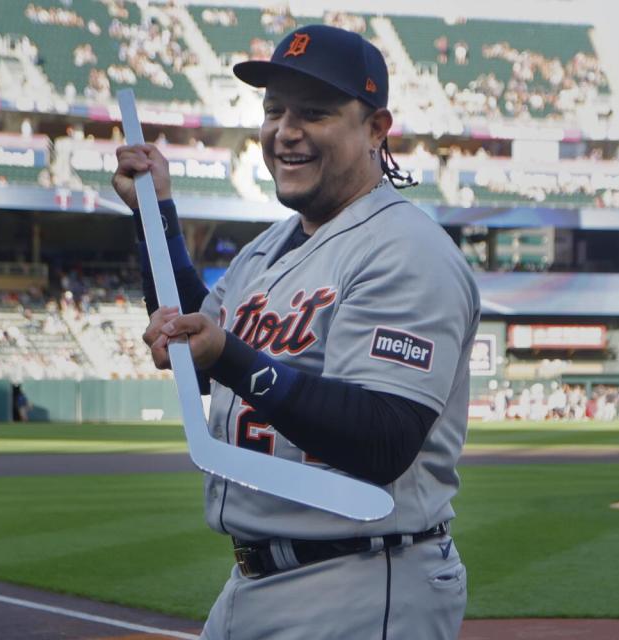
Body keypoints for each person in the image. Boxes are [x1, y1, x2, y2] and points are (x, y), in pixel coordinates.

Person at [114, 24, 480, 640]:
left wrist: (228, 354)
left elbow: (383, 439)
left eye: (314, 112)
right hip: (256, 582)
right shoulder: (268, 250)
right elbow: (201, 348)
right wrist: (157, 216)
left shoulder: (405, 250)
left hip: (362, 582)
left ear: (376, 129)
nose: (286, 131)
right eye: (273, 110)